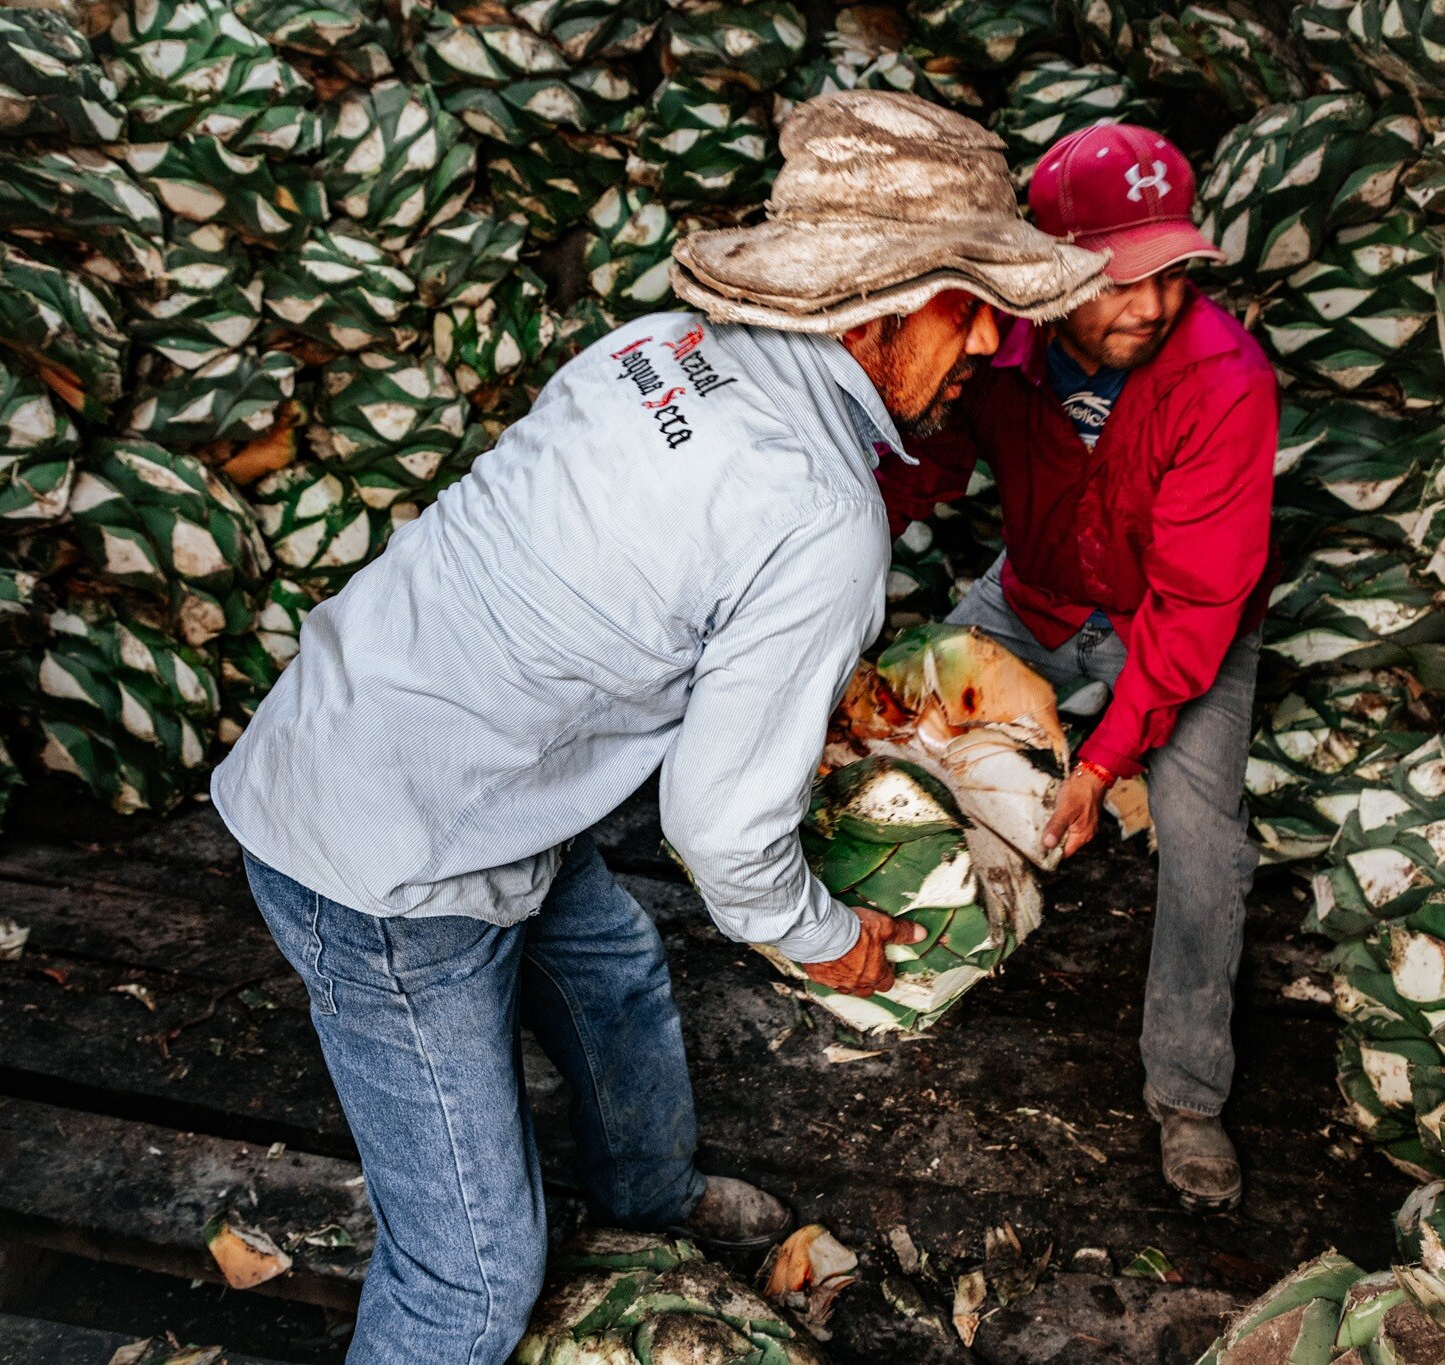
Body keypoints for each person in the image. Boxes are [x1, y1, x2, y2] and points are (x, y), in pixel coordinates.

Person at [211, 91, 1105, 1365]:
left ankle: (648, 1203)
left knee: (616, 972)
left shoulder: (658, 349)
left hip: (406, 743)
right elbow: (720, 826)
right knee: (469, 1277)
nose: (985, 355)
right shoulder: (817, 515)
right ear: (894, 304)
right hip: (390, 866)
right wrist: (829, 939)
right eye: (975, 315)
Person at [875, 123, 1279, 1213]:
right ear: (1049, 274)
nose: (1145, 308)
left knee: (1202, 844)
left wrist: (1101, 766)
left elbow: (1196, 607)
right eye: (1111, 281)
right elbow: (928, 460)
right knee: (886, 725)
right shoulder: (989, 348)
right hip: (1034, 594)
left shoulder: (1222, 379)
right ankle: (888, 957)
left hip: (1176, 621)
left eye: (1167, 275)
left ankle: (1187, 1094)